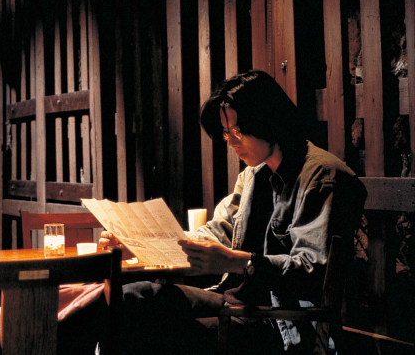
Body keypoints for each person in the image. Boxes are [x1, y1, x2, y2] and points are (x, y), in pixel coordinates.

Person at [99, 70, 367, 354]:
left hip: (280, 321)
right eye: (226, 133)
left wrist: (241, 263)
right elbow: (219, 230)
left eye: (237, 131)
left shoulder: (322, 176)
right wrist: (141, 244)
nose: (230, 142)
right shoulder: (253, 175)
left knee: (158, 333)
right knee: (131, 297)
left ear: (267, 121)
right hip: (234, 304)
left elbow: (312, 270)